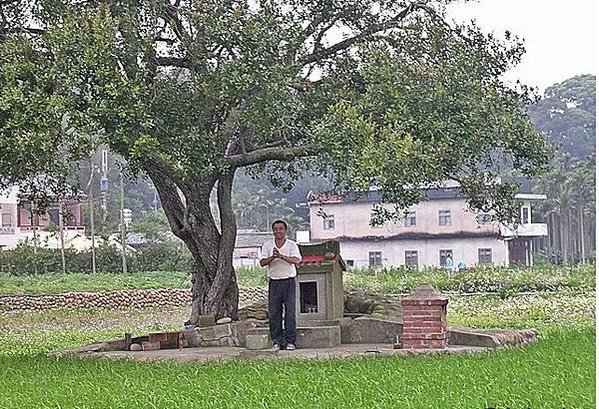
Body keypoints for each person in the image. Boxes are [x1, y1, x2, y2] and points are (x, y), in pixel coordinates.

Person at [259, 219, 302, 350]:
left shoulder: (292, 245)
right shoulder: (267, 245)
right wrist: (273, 257)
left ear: (285, 231)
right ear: (273, 231)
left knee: (290, 312)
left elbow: (297, 260)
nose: (278, 231)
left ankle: (290, 341)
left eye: (281, 229)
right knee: (274, 313)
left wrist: (282, 256)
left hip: (288, 281)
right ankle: (277, 341)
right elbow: (262, 262)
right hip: (274, 282)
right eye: (276, 229)